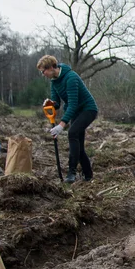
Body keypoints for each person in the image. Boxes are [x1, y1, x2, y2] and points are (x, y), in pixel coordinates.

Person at [38, 55, 99, 184]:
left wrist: (61, 125)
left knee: (72, 133)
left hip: (88, 109)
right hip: (76, 111)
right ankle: (88, 175)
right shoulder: (54, 82)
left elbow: (73, 104)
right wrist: (50, 103)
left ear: (51, 67)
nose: (43, 74)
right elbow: (57, 104)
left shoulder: (70, 77)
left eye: (43, 71)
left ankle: (71, 173)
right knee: (78, 145)